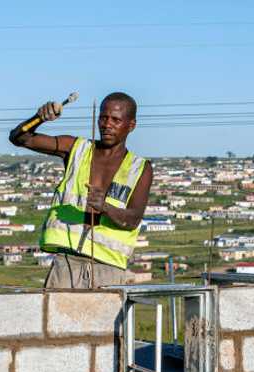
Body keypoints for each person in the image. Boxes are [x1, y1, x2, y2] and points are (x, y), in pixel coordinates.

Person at [9, 92, 153, 288]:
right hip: (67, 264)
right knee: (55, 319)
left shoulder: (140, 168)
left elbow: (133, 219)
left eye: (116, 120)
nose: (107, 124)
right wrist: (39, 118)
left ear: (131, 125)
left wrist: (105, 207)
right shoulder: (76, 149)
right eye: (103, 117)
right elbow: (20, 138)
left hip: (109, 269)